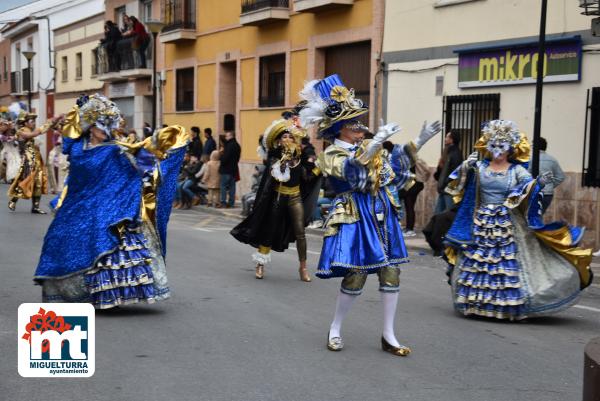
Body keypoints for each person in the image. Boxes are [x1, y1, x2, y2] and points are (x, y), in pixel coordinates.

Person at [299, 74, 441, 355]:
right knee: (356, 275)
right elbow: (351, 176)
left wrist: (417, 143)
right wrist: (375, 145)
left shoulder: (368, 148)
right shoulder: (331, 154)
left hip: (381, 214)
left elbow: (392, 172)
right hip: (355, 216)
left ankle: (389, 335)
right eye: (354, 126)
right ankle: (336, 327)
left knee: (391, 272)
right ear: (340, 129)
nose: (361, 130)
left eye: (361, 126)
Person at [34, 94, 189, 308]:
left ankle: (107, 295)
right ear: (90, 126)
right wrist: (81, 108)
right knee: (59, 239)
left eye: (108, 125)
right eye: (100, 125)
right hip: (76, 204)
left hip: (107, 204)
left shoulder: (114, 150)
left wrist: (165, 144)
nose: (104, 130)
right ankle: (71, 293)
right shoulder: (77, 147)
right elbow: (69, 132)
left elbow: (141, 164)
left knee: (103, 236)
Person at [444, 120, 593, 320]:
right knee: (479, 262)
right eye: (494, 146)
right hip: (481, 222)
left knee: (506, 262)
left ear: (510, 149)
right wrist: (465, 168)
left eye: (502, 147)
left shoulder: (517, 171)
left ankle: (507, 306)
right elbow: (459, 187)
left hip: (507, 222)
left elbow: (528, 188)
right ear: (488, 146)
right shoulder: (479, 167)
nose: (497, 151)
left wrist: (539, 183)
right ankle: (476, 303)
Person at [230, 118, 320, 282]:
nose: (287, 140)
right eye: (284, 137)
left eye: (290, 137)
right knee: (269, 230)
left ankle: (303, 268)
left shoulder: (300, 158)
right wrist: (283, 162)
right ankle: (260, 264)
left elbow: (306, 178)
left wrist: (318, 168)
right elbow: (276, 177)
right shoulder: (274, 158)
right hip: (278, 198)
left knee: (300, 232)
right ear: (278, 141)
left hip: (295, 197)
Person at [7, 103, 58, 214]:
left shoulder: (29, 131)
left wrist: (51, 123)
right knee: (25, 181)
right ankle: (13, 200)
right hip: (28, 161)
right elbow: (34, 134)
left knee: (38, 182)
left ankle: (35, 207)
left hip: (37, 159)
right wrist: (48, 123)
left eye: (34, 121)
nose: (33, 123)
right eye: (31, 121)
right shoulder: (22, 132)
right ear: (25, 123)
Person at [530, 137, 565, 214]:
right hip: (548, 195)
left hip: (534, 193)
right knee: (539, 215)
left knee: (532, 217)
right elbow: (561, 177)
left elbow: (526, 176)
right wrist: (550, 185)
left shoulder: (531, 159)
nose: (531, 148)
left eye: (532, 146)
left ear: (535, 147)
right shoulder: (552, 159)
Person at [434, 131, 463, 214]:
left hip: (449, 189)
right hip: (444, 189)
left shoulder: (455, 154)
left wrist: (446, 183)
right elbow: (443, 171)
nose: (445, 139)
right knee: (438, 214)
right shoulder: (448, 152)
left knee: (448, 214)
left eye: (447, 137)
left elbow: (456, 172)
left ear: (452, 140)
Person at [219, 131, 241, 208]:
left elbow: (225, 159)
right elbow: (238, 158)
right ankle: (231, 203)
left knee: (223, 186)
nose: (225, 137)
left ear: (231, 136)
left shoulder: (228, 145)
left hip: (226, 170)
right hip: (234, 169)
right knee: (232, 187)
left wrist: (221, 156)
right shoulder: (238, 145)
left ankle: (223, 203)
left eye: (227, 136)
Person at [0, 119, 21, 184]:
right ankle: (10, 177)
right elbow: (7, 139)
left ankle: (15, 177)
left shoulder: (14, 135)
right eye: (9, 130)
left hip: (14, 152)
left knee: (17, 162)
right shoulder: (2, 136)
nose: (10, 131)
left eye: (11, 131)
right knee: (10, 162)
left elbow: (17, 141)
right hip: (7, 152)